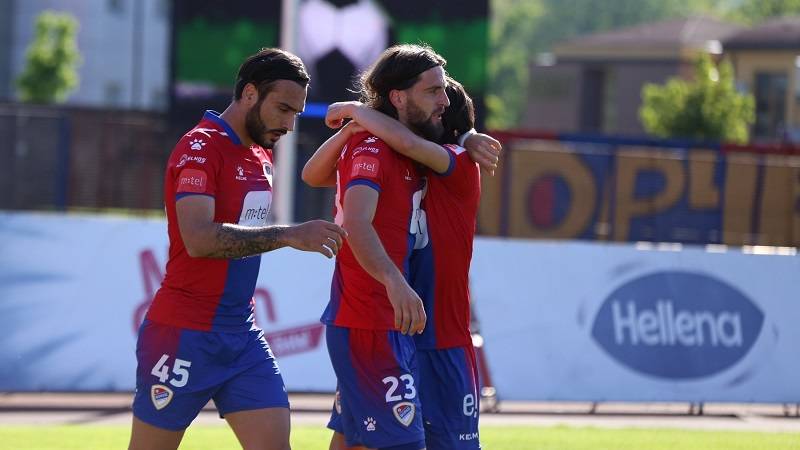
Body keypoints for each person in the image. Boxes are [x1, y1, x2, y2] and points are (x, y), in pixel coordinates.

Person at [128, 48, 347, 450]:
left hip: (241, 335)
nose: (288, 123)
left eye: (296, 113)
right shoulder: (200, 146)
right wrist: (288, 235)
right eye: (282, 108)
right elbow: (198, 239)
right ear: (250, 93)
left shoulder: (262, 156)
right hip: (182, 334)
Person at [304, 73, 500, 449]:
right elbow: (316, 175)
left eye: (442, 105)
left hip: (441, 335)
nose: (435, 106)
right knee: (355, 437)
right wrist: (353, 129)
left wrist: (354, 111)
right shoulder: (403, 162)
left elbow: (409, 138)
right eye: (431, 96)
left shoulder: (457, 163)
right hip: (396, 329)